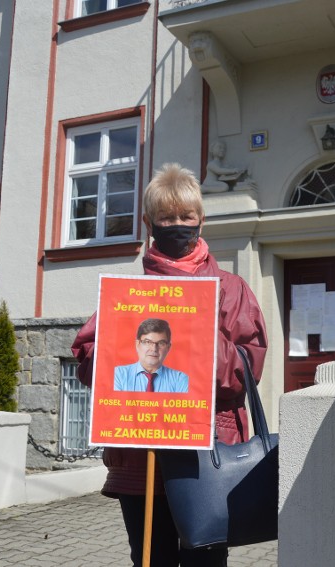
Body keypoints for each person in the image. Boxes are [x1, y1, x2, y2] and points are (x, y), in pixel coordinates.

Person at [71, 162, 268, 567]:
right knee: (150, 560)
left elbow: (246, 371)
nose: (177, 224)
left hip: (208, 458)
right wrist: (113, 346)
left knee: (205, 561)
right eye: (166, 217)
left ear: (200, 220)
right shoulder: (128, 294)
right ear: (149, 223)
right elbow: (88, 362)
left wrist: (195, 330)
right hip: (140, 456)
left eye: (186, 216)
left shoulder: (231, 290)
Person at [115, 318, 189, 393]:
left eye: (161, 343)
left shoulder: (180, 380)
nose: (154, 349)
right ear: (137, 344)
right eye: (148, 342)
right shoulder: (118, 375)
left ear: (168, 347)